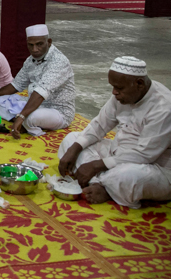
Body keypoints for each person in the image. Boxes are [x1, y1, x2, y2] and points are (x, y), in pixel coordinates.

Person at [58, 56, 171, 209]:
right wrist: (75, 148)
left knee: (127, 177)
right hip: (117, 154)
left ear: (139, 84)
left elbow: (144, 155)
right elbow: (99, 125)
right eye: (113, 87)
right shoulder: (122, 96)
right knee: (72, 140)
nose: (114, 92)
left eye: (119, 88)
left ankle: (105, 187)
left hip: (154, 167)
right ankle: (103, 184)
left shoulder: (164, 107)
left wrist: (96, 165)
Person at [0, 24, 76, 139]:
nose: (34, 49)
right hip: (33, 103)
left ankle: (24, 121)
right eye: (30, 45)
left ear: (49, 42)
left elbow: (40, 93)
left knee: (31, 117)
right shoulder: (30, 60)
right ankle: (22, 120)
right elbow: (15, 85)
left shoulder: (59, 61)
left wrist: (22, 116)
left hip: (58, 111)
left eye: (39, 44)